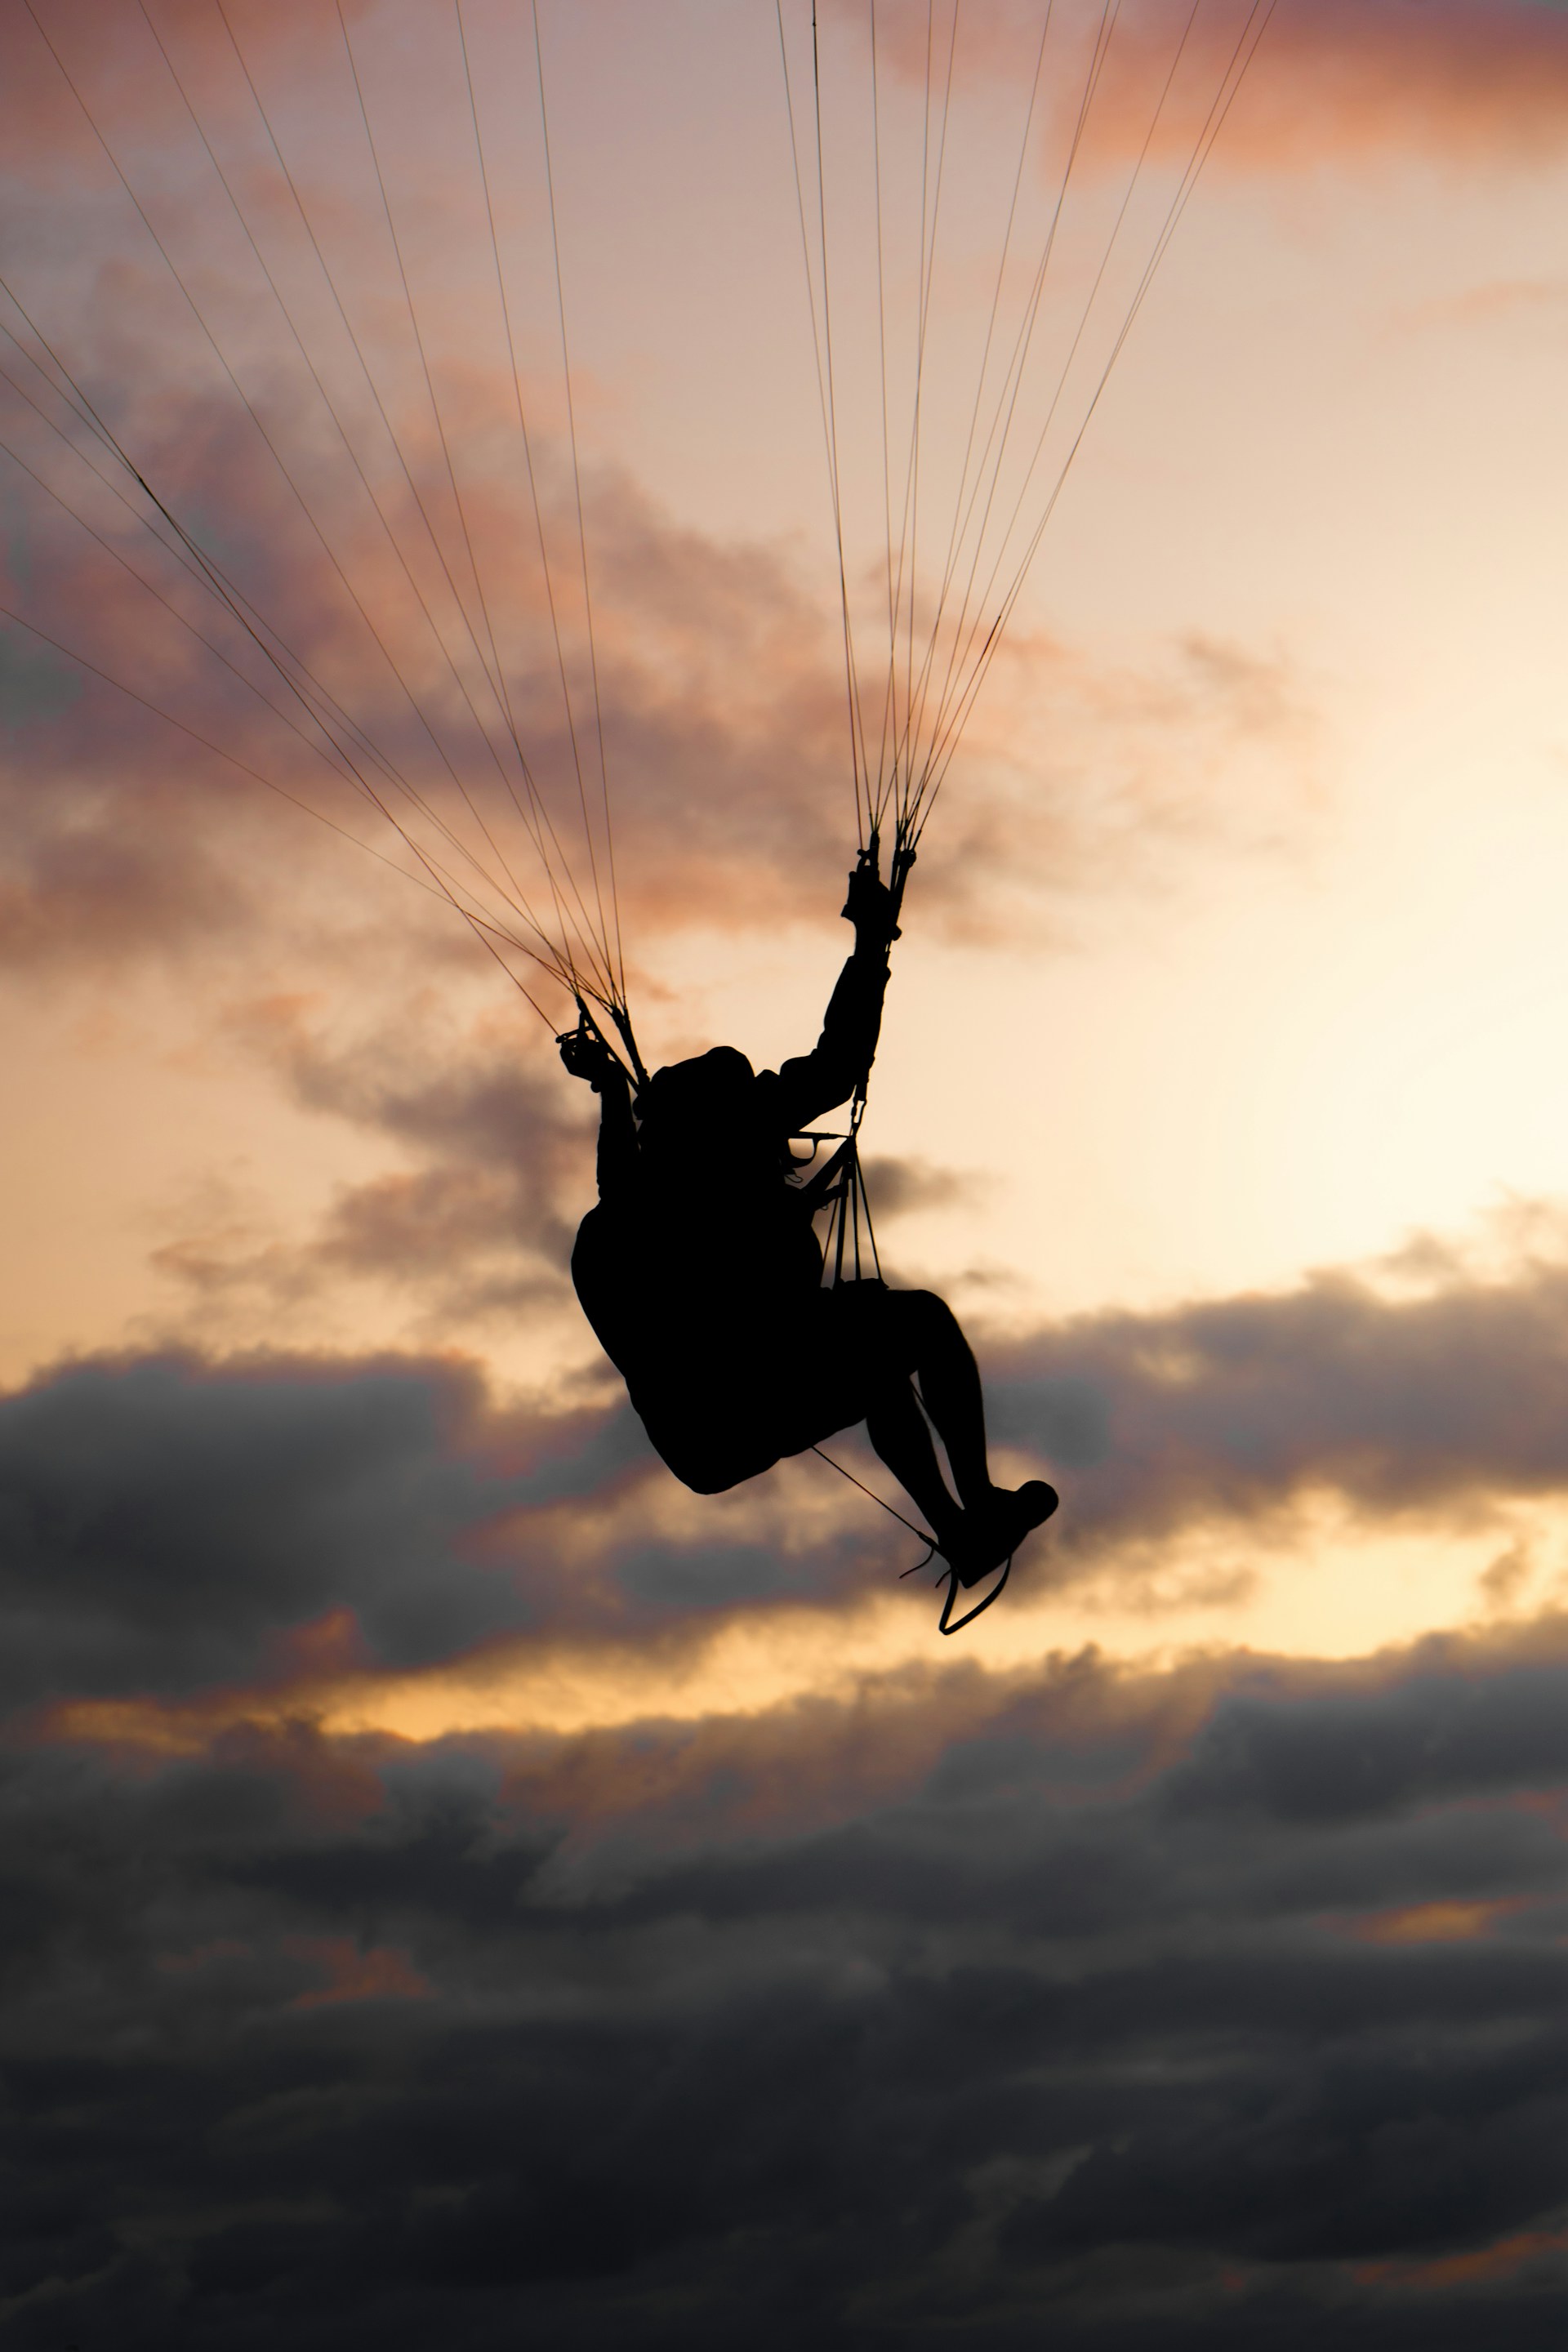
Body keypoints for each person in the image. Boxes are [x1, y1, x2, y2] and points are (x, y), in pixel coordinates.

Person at [559, 852, 1057, 1602]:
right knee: (917, 1321)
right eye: (747, 1089)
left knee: (879, 1360)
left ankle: (963, 1533)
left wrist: (870, 944)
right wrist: (871, 946)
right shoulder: (655, 1205)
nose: (767, 1092)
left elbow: (829, 1067)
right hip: (721, 1401)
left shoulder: (652, 1194)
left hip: (718, 1419)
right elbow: (830, 1067)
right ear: (717, 1125)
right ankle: (976, 1505)